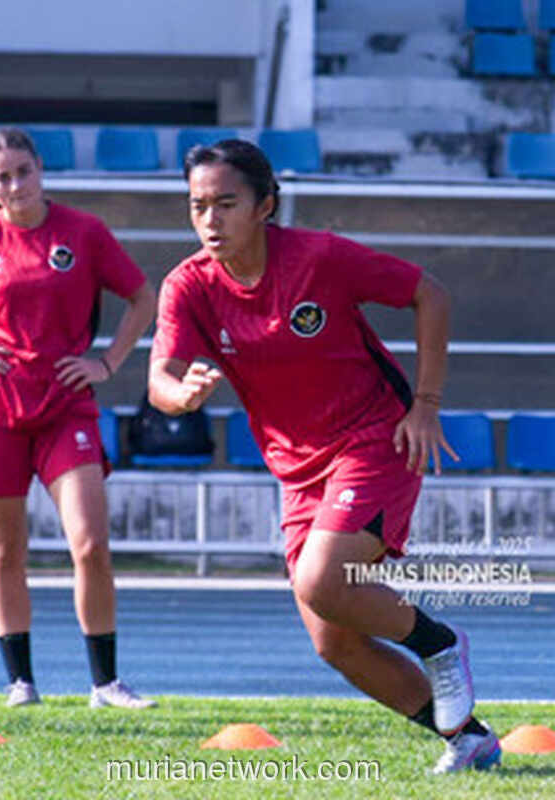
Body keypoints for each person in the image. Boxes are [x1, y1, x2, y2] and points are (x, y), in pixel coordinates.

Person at [147, 139, 500, 772]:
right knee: (333, 640)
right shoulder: (188, 286)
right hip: (296, 469)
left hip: (375, 437)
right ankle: (467, 739)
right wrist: (182, 396)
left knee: (320, 580)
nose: (210, 220)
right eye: (198, 206)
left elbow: (431, 294)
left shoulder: (319, 258)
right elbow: (159, 377)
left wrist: (426, 403)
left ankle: (442, 645)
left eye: (225, 204)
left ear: (265, 207)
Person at [0, 127, 157, 709]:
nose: (15, 184)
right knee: (4, 550)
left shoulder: (83, 232)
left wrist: (108, 362)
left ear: (41, 169)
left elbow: (143, 296)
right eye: (3, 176)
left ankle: (105, 683)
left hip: (66, 404)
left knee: (90, 544)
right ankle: (21, 682)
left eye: (24, 170)